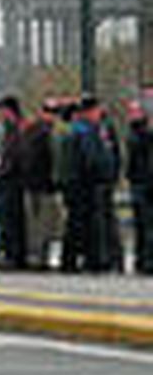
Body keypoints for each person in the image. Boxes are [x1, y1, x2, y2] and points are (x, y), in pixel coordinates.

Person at [66, 98, 119, 273]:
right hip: (87, 185)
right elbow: (89, 159)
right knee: (88, 224)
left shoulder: (99, 130)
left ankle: (99, 258)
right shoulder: (83, 131)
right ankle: (91, 259)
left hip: (97, 184)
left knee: (97, 224)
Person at [19, 101, 63, 270]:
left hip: (30, 184)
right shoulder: (48, 133)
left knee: (33, 224)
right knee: (44, 224)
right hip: (45, 185)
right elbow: (55, 160)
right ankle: (40, 257)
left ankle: (34, 256)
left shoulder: (29, 131)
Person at [0, 97, 27, 270]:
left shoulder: (18, 129)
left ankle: (14, 254)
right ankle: (9, 252)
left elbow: (15, 155)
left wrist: (4, 170)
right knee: (5, 219)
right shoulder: (10, 129)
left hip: (13, 181)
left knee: (12, 220)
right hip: (8, 180)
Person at [128, 100, 153, 275]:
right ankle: (145, 260)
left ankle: (144, 259)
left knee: (145, 225)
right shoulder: (138, 135)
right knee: (144, 225)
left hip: (143, 183)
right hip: (142, 184)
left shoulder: (140, 134)